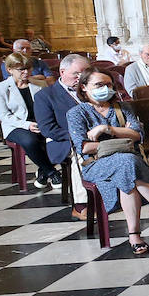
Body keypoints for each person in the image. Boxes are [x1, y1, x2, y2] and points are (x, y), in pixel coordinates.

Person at [67, 68, 149, 255]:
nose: (105, 88)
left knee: (126, 167)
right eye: (99, 85)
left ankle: (134, 235)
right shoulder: (76, 113)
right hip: (96, 164)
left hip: (129, 161)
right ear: (84, 87)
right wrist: (124, 134)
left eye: (108, 85)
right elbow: (84, 147)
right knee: (127, 162)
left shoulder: (123, 108)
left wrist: (106, 129)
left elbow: (138, 135)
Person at [0, 54, 62, 190]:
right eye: (21, 70)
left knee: (57, 136)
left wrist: (43, 123)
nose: (26, 72)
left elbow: (47, 108)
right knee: (30, 141)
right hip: (15, 125)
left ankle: (42, 172)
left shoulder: (39, 84)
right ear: (10, 70)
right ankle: (52, 173)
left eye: (28, 69)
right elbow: (4, 116)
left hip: (39, 122)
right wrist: (27, 125)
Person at [35, 53, 91, 217]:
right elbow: (47, 128)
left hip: (96, 136)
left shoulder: (91, 90)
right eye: (76, 74)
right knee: (81, 153)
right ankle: (81, 205)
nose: (81, 78)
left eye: (85, 73)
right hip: (64, 141)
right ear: (62, 72)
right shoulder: (45, 96)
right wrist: (79, 136)